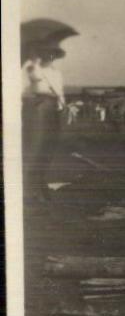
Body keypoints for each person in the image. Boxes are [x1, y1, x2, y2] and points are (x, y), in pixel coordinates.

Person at [21, 43, 67, 202]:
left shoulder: (57, 73)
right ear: (41, 54)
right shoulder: (32, 69)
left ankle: (40, 182)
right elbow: (25, 90)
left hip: (53, 109)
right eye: (46, 53)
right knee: (36, 146)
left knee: (49, 146)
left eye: (53, 54)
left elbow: (60, 93)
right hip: (38, 108)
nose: (50, 57)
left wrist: (61, 104)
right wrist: (34, 62)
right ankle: (33, 188)